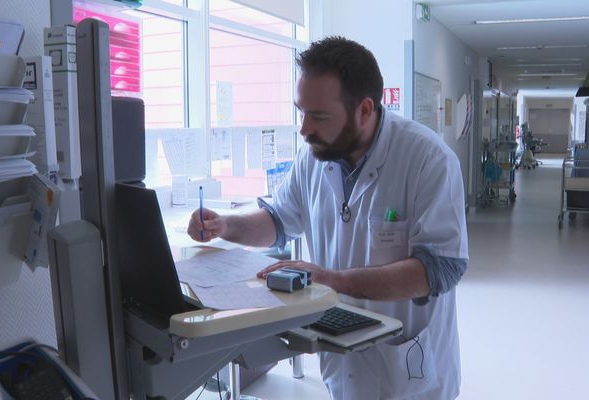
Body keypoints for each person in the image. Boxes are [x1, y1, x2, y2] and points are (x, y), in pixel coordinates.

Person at [187, 36, 468, 400]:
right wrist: (226, 225)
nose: (304, 128)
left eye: (318, 116)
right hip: (343, 359)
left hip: (410, 371)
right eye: (301, 111)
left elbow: (438, 270)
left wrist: (330, 280)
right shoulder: (316, 156)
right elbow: (278, 221)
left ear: (364, 110)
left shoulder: (428, 159)